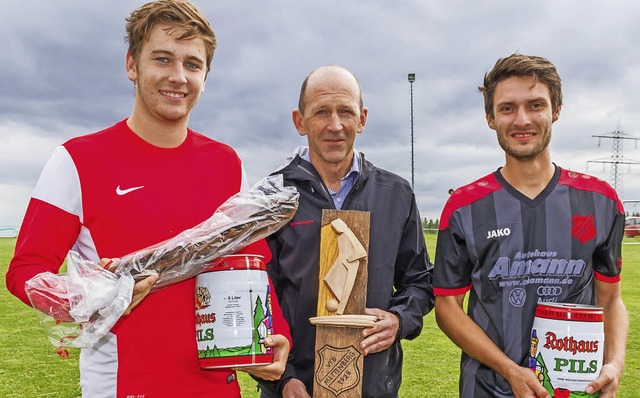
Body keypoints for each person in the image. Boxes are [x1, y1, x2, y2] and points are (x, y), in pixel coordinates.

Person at [5, 1, 291, 397]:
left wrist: (276, 332)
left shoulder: (227, 164)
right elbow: (25, 270)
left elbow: (251, 263)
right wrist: (89, 297)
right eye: (162, 59)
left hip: (217, 389)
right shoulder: (76, 160)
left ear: (206, 76)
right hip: (124, 387)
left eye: (192, 64)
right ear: (131, 65)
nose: (178, 76)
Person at [433, 53, 628, 398]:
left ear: (556, 110)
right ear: (490, 118)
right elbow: (448, 308)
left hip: (573, 388)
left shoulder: (601, 201)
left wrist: (614, 362)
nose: (522, 119)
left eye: (535, 105)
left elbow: (610, 298)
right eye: (507, 108)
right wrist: (509, 370)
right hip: (486, 388)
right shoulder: (464, 207)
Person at [257, 65, 434, 398]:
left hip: (374, 388)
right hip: (294, 388)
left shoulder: (396, 194)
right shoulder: (270, 197)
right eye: (321, 112)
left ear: (362, 119)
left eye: (345, 112)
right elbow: (259, 297)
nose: (334, 125)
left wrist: (398, 320)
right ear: (300, 121)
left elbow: (420, 281)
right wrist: (282, 380)